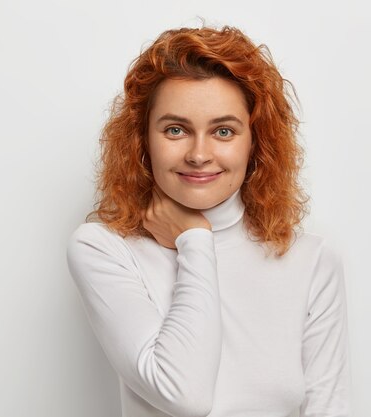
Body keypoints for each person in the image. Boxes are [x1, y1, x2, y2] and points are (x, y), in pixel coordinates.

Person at [66, 24, 352, 417]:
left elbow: (329, 408)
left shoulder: (311, 259)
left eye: (223, 131)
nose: (199, 154)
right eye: (176, 129)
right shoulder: (104, 248)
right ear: (142, 140)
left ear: (255, 142)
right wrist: (196, 239)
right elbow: (184, 395)